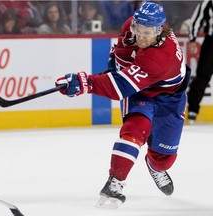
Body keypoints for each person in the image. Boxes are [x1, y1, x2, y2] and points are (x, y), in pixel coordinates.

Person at [55, 1, 190, 208]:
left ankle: (155, 166)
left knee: (164, 157)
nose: (141, 36)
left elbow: (119, 87)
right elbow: (119, 58)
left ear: (160, 30)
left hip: (170, 97)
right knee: (134, 130)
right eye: (138, 29)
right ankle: (115, 183)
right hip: (140, 91)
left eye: (148, 32)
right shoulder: (131, 27)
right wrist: (93, 79)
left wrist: (85, 83)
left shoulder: (161, 56)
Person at [186, 0, 213, 123]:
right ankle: (193, 109)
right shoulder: (208, 3)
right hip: (211, 42)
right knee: (203, 75)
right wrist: (192, 38)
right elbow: (196, 19)